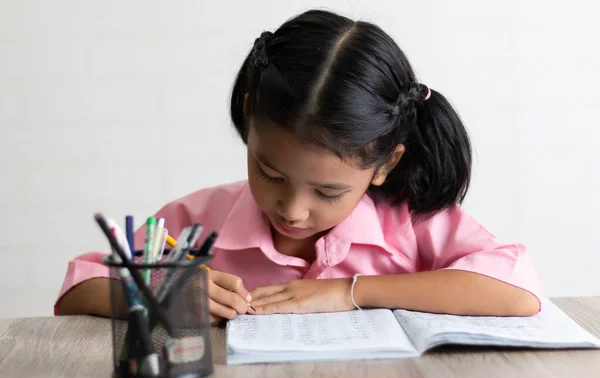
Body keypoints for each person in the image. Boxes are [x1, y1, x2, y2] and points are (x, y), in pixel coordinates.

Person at [55, 9, 544, 325]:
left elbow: (518, 288)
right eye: (270, 173)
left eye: (328, 192)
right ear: (248, 120)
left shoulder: (411, 223)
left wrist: (349, 293)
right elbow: (79, 286)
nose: (292, 208)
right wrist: (162, 290)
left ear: (384, 165)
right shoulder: (195, 222)